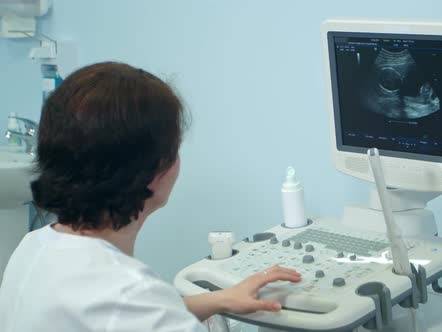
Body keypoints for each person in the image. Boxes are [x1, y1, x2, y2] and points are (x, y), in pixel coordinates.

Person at [0, 62, 301, 331]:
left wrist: (217, 299)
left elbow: (120, 317)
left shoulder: (35, 246)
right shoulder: (129, 294)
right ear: (157, 171)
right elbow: (131, 311)